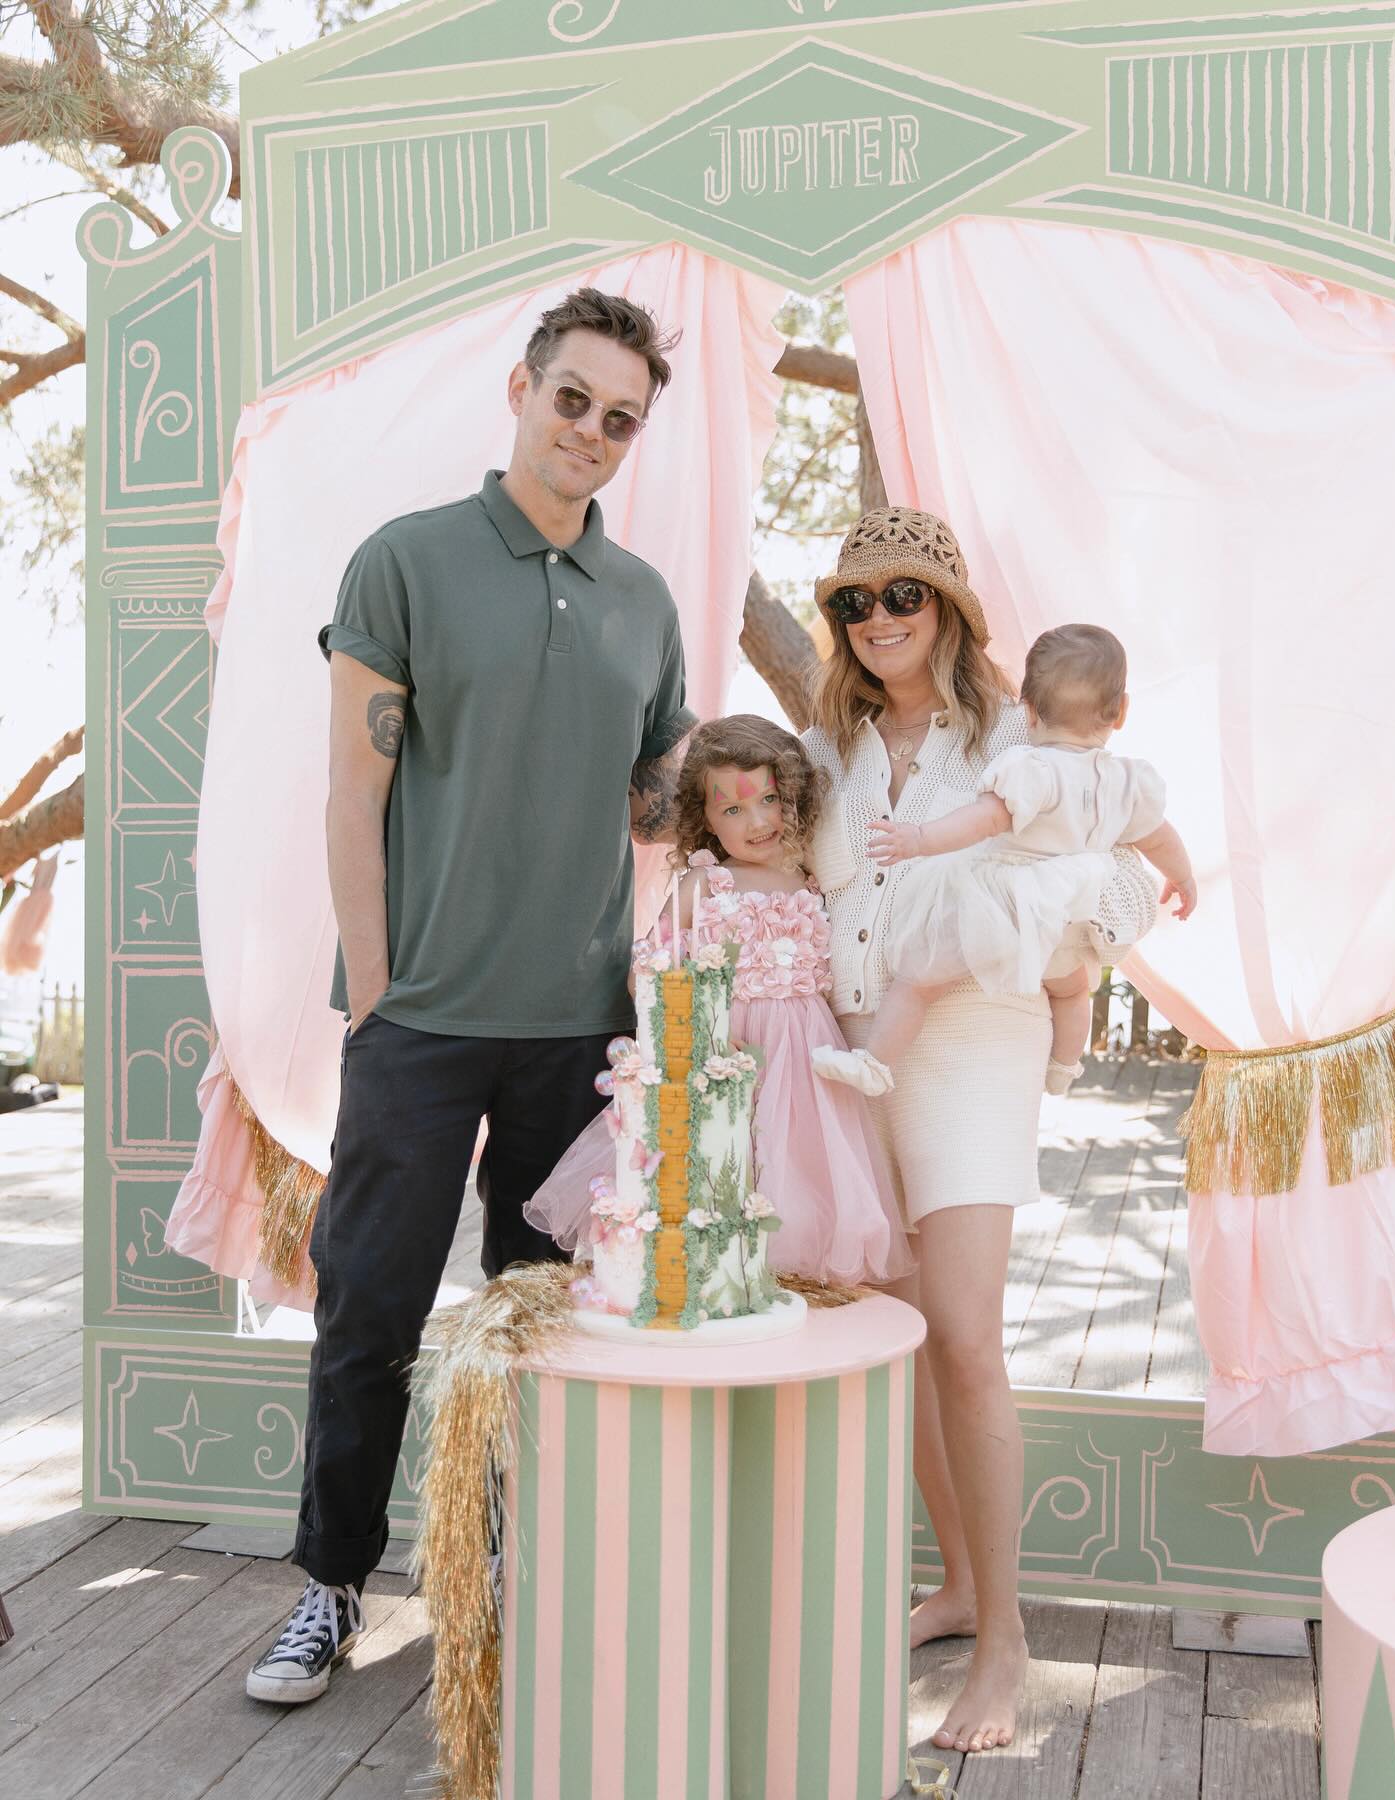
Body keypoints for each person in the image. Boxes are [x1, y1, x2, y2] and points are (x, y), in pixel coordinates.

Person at [246, 288, 695, 1705]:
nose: (593, 435)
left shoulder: (645, 600)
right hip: (422, 1024)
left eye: (621, 419)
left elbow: (657, 795)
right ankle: (329, 1590)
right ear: (522, 387)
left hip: (579, 1028)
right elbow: (352, 787)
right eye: (574, 401)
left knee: (538, 1326)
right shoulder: (408, 563)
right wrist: (377, 993)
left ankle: (509, 1585)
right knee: (366, 1312)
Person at [800, 506, 1157, 1754]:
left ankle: (1005, 1644)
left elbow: (1124, 882)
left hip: (970, 1047)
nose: (880, 618)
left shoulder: (1021, 735)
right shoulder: (824, 744)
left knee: (963, 1339)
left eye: (904, 594)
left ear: (947, 608)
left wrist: (1047, 960)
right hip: (850, 1053)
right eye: (856, 601)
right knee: (896, 1334)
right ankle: (951, 1586)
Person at [525, 714, 912, 1287]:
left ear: (794, 797)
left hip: (801, 1058)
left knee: (794, 1174)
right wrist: (700, 1023)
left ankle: (781, 1291)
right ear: (703, 818)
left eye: (769, 800)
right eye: (732, 809)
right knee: (718, 1171)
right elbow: (648, 969)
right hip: (721, 1054)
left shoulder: (811, 878)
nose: (757, 822)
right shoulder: (704, 885)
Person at [813, 622, 1195, 1101]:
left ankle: (875, 1063)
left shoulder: (1031, 769)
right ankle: (1064, 1067)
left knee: (916, 980)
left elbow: (984, 820)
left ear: (1029, 711)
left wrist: (919, 839)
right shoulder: (1128, 782)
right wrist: (1182, 878)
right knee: (1074, 989)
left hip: (1002, 909)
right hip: (1064, 920)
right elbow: (1159, 838)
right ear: (1120, 712)